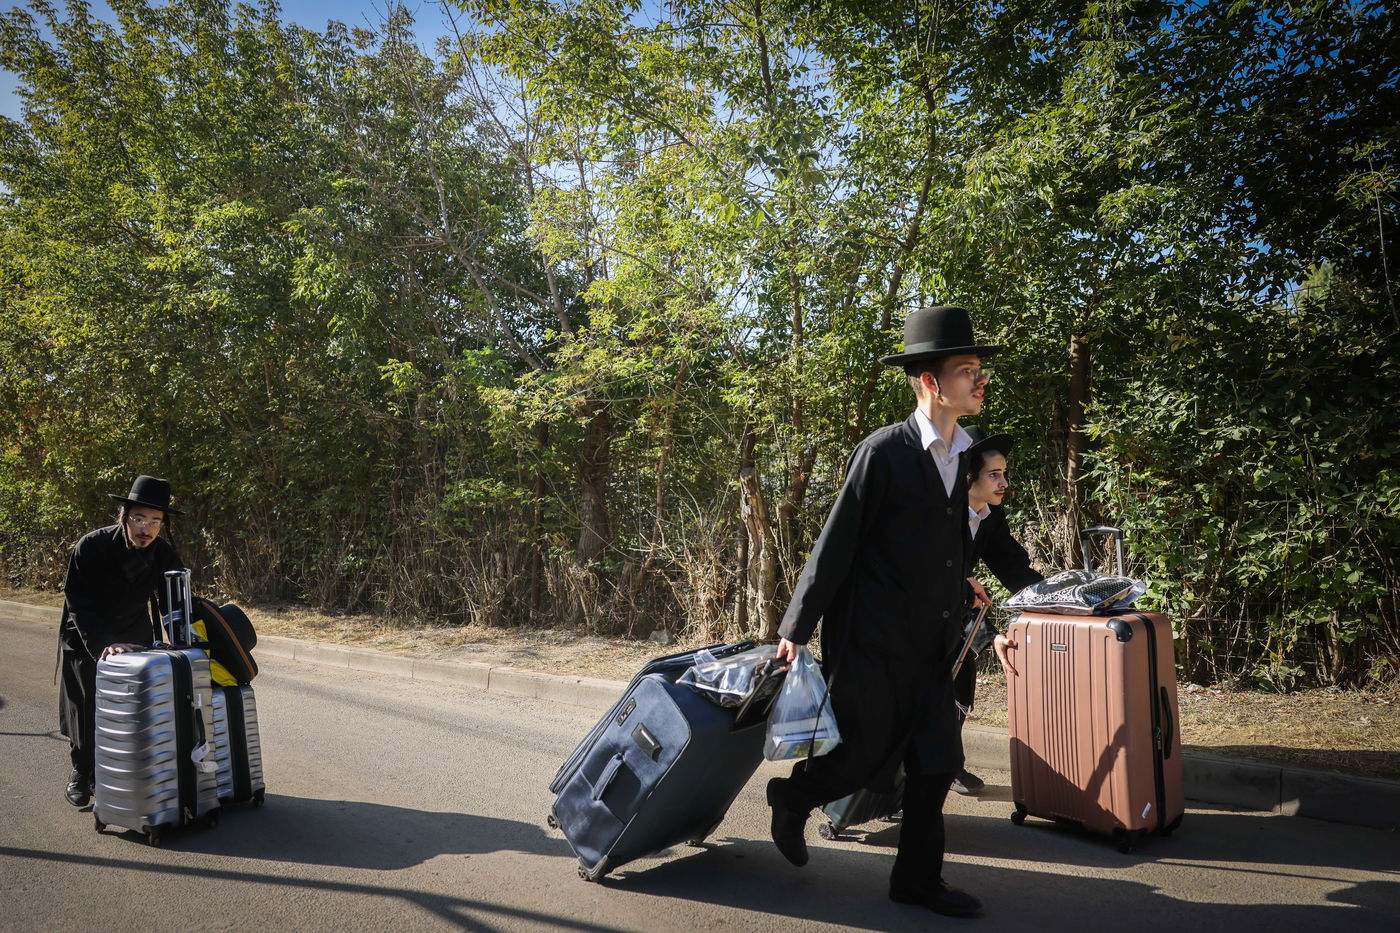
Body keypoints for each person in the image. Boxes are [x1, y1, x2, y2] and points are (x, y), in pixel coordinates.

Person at [767, 305, 999, 919]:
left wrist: (962, 576)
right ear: (929, 381)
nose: (980, 380)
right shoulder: (883, 452)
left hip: (932, 640)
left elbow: (946, 535)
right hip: (873, 640)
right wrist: (796, 627)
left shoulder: (964, 452)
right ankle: (792, 798)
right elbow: (836, 542)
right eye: (967, 370)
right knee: (863, 758)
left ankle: (916, 882)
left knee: (937, 763)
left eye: (979, 369)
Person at [58, 475, 184, 806]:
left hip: (134, 634)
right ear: (124, 515)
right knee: (87, 705)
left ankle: (120, 776)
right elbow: (77, 601)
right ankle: (81, 772)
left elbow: (176, 602)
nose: (147, 528)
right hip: (86, 633)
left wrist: (183, 640)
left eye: (155, 521)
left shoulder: (163, 553)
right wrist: (103, 643)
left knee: (132, 709)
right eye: (140, 518)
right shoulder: (92, 546)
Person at [952, 428, 1045, 795]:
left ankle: (948, 765)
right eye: (994, 474)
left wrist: (1057, 603)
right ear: (968, 476)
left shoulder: (990, 516)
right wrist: (990, 634)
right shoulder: (938, 515)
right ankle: (892, 785)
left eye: (1004, 473)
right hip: (912, 616)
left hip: (956, 609)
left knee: (961, 685)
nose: (1004, 482)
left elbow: (1013, 568)